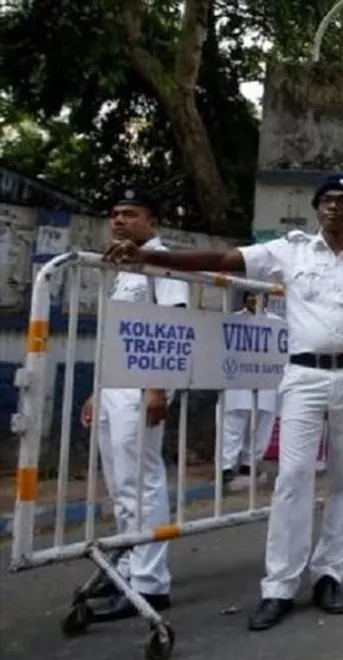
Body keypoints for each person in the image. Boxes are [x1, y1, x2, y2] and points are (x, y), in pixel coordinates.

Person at [102, 172, 343, 630]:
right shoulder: (288, 250)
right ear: (316, 209)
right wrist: (147, 257)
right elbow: (222, 258)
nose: (333, 207)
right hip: (303, 374)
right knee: (293, 478)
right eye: (326, 200)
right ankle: (279, 586)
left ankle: (328, 573)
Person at [81, 187, 190, 621]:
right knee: (121, 485)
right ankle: (128, 564)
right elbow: (117, 334)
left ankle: (150, 583)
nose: (119, 220)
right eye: (115, 213)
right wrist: (97, 388)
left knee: (141, 482)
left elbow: (171, 325)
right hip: (116, 385)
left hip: (143, 386)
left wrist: (158, 387)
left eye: (130, 213)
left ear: (152, 222)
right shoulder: (123, 266)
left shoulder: (161, 263)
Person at [221, 290, 280, 490]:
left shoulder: (277, 323)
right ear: (244, 299)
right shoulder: (232, 320)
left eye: (259, 296)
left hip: (266, 380)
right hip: (238, 380)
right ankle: (226, 467)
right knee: (233, 424)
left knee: (261, 426)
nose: (255, 300)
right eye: (250, 296)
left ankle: (249, 463)